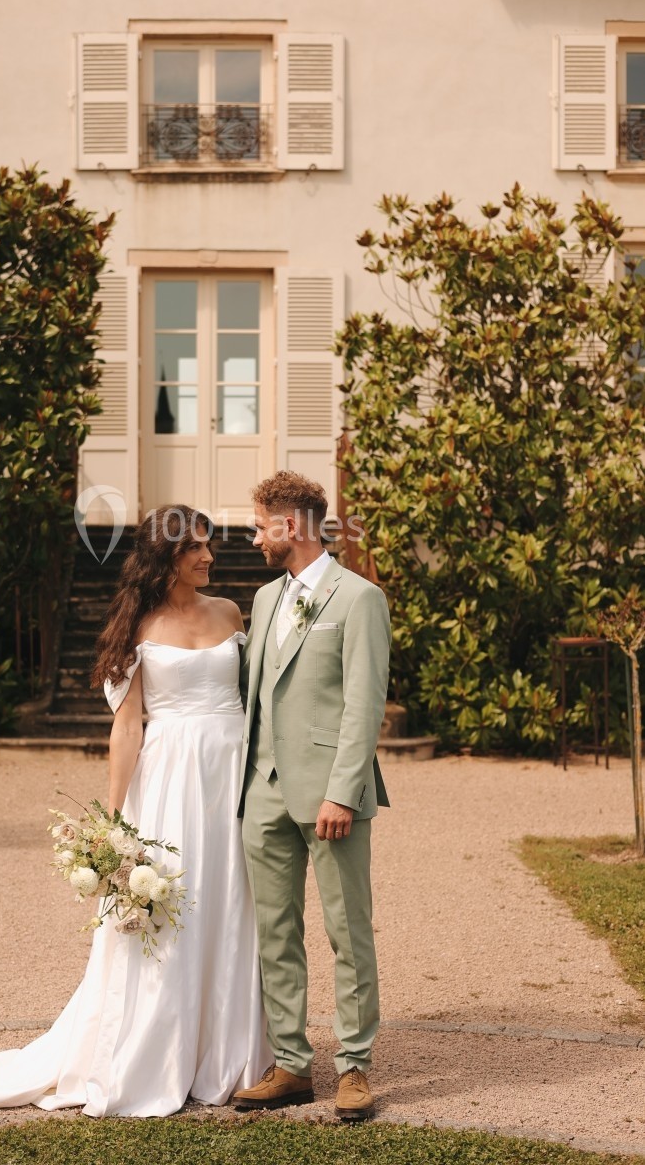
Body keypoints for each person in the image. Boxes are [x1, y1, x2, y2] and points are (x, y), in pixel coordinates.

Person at [0, 505, 269, 1118]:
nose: (209, 557)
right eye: (195, 550)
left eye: (209, 546)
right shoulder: (139, 624)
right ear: (165, 557)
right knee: (170, 906)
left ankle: (228, 1053)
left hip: (230, 772)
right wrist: (113, 822)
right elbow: (127, 728)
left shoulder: (231, 613)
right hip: (169, 780)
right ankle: (156, 1051)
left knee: (230, 901)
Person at [233, 471, 391, 1121]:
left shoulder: (358, 598)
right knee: (275, 932)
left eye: (262, 524)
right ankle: (293, 1064)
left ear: (292, 526)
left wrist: (343, 793)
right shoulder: (266, 598)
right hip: (262, 793)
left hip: (330, 797)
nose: (254, 535)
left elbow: (364, 703)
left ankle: (354, 1067)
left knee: (347, 931)